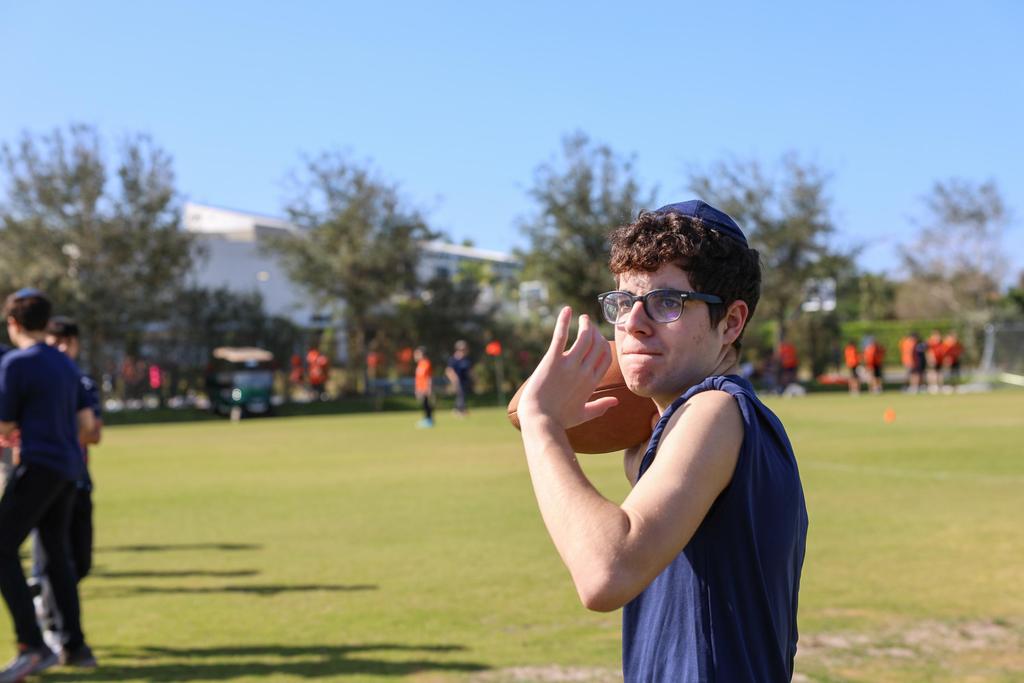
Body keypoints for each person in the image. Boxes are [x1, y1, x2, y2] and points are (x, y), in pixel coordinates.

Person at [516, 200, 807, 681]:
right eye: (623, 301)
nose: (633, 322)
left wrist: (541, 422)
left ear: (731, 322)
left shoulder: (715, 410)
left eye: (667, 302)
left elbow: (605, 573)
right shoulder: (702, 422)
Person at [0, 290, 98, 681]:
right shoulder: (65, 363)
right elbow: (87, 425)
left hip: (39, 465)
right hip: (69, 469)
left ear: (13, 323)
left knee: (2, 547)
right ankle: (75, 646)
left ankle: (33, 645)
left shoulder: (16, 363)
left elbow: (5, 424)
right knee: (57, 554)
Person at [29, 317, 102, 650]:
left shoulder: (79, 381)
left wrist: (57, 427)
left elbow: (93, 432)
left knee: (80, 563)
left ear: (74, 344)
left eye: (63, 343)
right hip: (45, 478)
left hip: (77, 479)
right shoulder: (36, 377)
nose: (58, 349)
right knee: (51, 558)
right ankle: (51, 627)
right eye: (52, 342)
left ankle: (46, 605)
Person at [445, 340, 474, 416]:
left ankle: (457, 409)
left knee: (462, 394)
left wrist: (473, 377)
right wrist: (454, 379)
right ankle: (461, 410)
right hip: (457, 380)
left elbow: (470, 370)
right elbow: (449, 370)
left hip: (465, 381)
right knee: (461, 394)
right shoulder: (453, 359)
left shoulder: (466, 359)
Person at [413, 347, 434, 428]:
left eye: (417, 354)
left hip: (425, 388)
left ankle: (429, 420)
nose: (415, 356)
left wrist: (429, 388)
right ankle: (427, 419)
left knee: (426, 404)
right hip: (420, 388)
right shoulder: (420, 364)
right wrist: (417, 389)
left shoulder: (426, 363)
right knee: (424, 404)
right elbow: (418, 378)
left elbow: (429, 377)